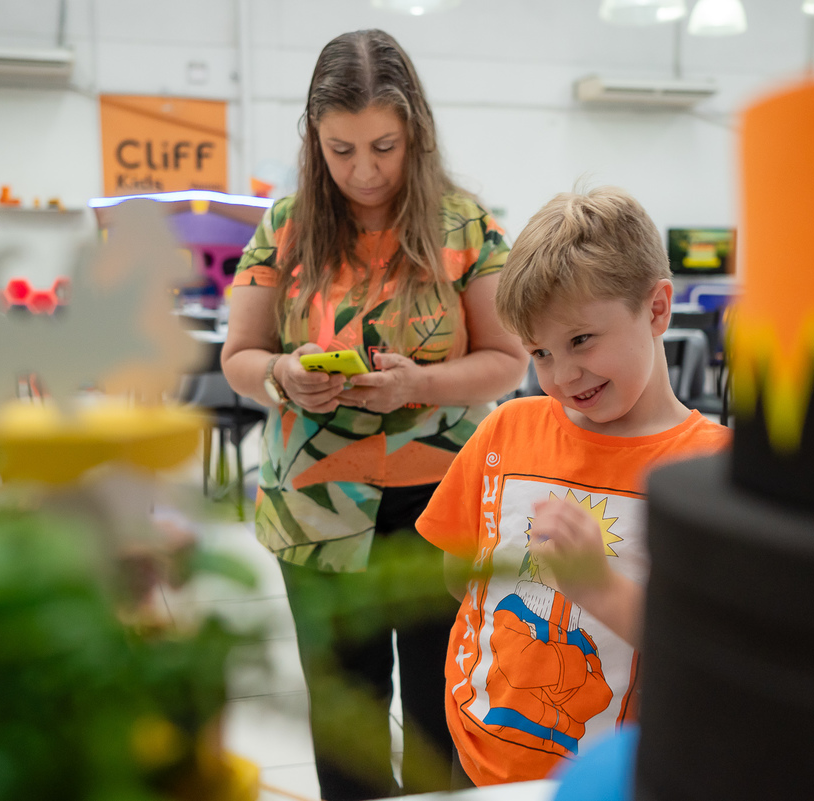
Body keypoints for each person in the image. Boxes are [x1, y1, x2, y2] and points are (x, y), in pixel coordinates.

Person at [221, 28, 528, 801]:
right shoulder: (285, 226)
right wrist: (285, 375)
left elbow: (508, 359)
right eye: (341, 149)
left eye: (383, 147)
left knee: (440, 712)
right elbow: (239, 356)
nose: (364, 170)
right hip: (316, 510)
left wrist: (416, 385)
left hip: (443, 504)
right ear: (313, 141)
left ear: (414, 133)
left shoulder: (467, 227)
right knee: (347, 720)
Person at [415, 187, 731, 786]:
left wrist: (598, 588)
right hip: (475, 747)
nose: (562, 375)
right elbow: (459, 578)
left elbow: (714, 651)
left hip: (608, 777)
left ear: (657, 309)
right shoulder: (506, 428)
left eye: (581, 340)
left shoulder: (711, 469)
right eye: (540, 352)